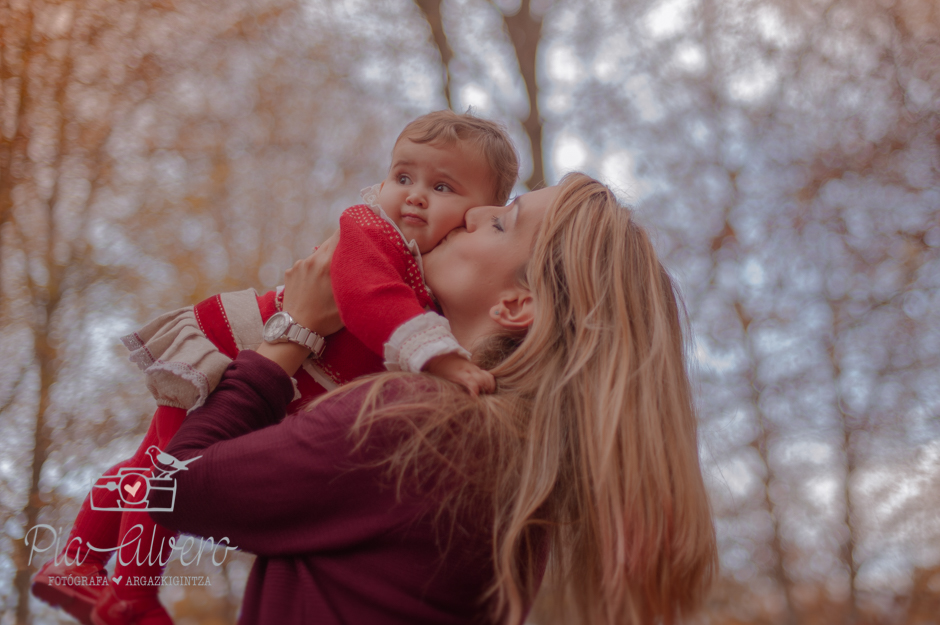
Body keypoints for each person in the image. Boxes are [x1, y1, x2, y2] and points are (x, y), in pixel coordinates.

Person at [146, 174, 718, 624]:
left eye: (502, 223)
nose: (473, 213)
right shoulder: (511, 455)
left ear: (518, 306)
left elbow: (173, 486)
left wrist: (293, 329)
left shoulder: (423, 425)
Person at [30, 110, 519, 625]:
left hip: (272, 367)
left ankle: (77, 561)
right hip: (236, 343)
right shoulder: (372, 232)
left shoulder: (436, 275)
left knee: (149, 456)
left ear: (480, 213)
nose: (415, 195)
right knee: (163, 470)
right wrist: (439, 357)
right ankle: (132, 594)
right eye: (403, 177)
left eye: (442, 186)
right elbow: (370, 300)